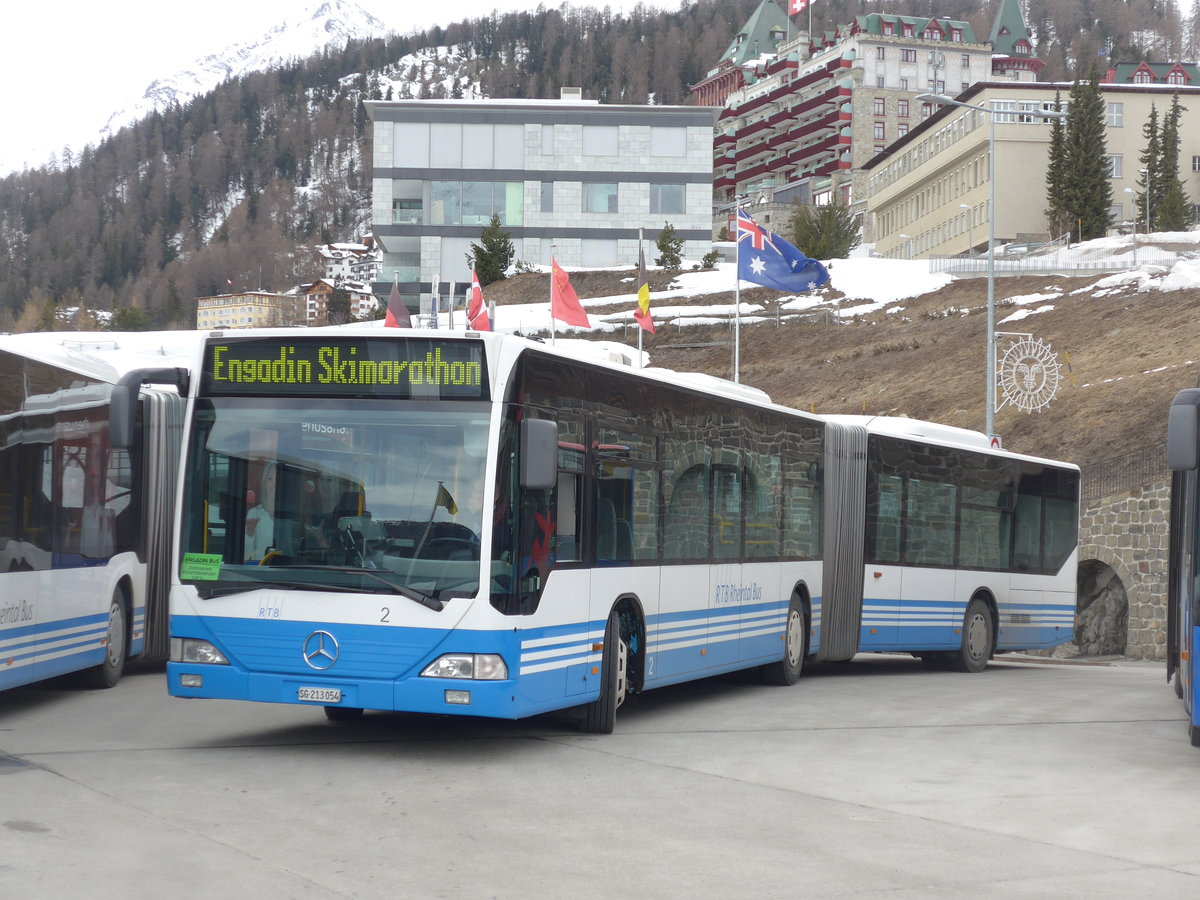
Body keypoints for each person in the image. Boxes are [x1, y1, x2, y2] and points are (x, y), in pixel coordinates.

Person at [244, 463, 277, 562]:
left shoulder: (293, 516)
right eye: (270, 479)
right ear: (264, 483)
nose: (274, 484)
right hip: (260, 569)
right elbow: (244, 555)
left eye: (278, 479)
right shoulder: (254, 513)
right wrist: (249, 533)